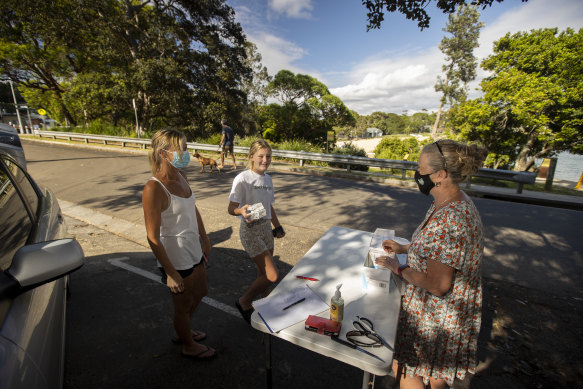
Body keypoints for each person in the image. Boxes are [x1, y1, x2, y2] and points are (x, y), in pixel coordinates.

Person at [375, 139, 488, 388]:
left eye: (421, 169)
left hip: (436, 317)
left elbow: (437, 285)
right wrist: (406, 248)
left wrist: (399, 267)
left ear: (440, 175)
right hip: (447, 317)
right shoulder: (450, 202)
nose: (417, 174)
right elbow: (440, 252)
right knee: (435, 375)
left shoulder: (451, 217)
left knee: (407, 368)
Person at [142, 129, 215, 360]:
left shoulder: (182, 176)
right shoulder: (154, 188)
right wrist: (171, 273)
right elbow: (152, 237)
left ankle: (181, 331)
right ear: (164, 153)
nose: (186, 153)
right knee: (182, 306)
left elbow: (192, 208)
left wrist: (206, 239)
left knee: (201, 291)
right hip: (175, 256)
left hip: (193, 248)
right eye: (180, 148)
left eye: (185, 147)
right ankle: (187, 344)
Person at [228, 139, 285, 323]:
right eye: (261, 156)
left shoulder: (268, 179)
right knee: (272, 275)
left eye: (268, 156)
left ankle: (264, 307)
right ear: (251, 157)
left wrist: (277, 226)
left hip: (266, 228)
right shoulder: (243, 178)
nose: (265, 160)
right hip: (250, 229)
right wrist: (240, 211)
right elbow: (231, 208)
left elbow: (269, 206)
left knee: (263, 274)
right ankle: (244, 301)